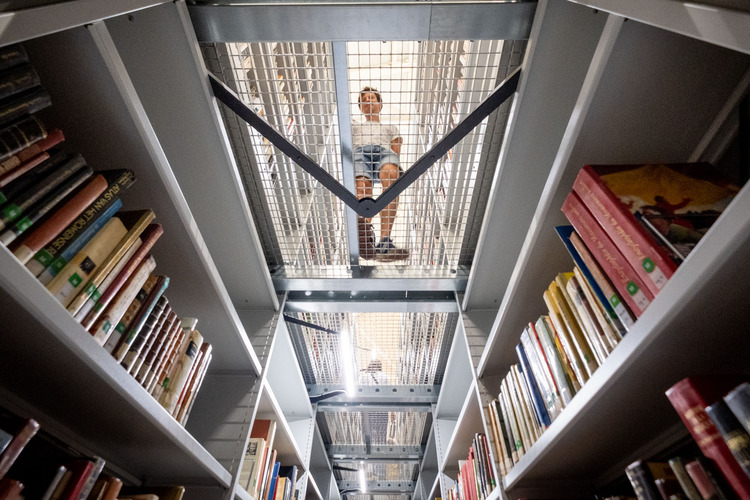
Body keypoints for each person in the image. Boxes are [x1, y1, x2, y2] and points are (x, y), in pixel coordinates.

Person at [352, 87, 404, 258]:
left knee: (391, 179)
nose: (368, 100)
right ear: (360, 107)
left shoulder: (390, 127)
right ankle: (365, 235)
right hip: (360, 153)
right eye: (364, 99)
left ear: (380, 104)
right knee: (361, 187)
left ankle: (385, 240)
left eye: (372, 98)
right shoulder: (353, 126)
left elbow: (395, 152)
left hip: (384, 152)